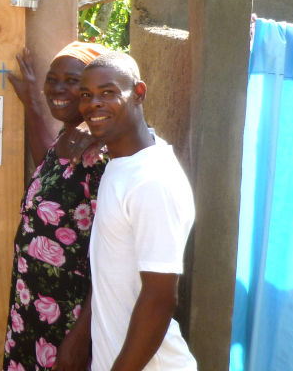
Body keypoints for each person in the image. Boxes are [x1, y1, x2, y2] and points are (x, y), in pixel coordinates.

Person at [77, 51, 196, 371]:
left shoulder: (151, 180)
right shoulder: (121, 165)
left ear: (138, 93)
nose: (93, 104)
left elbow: (160, 299)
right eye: (86, 95)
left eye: (108, 92)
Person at [2, 41, 109, 371]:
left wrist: (80, 339)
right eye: (53, 78)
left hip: (69, 318)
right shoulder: (68, 140)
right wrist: (32, 101)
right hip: (30, 306)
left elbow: (111, 259)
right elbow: (48, 172)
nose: (59, 88)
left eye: (72, 81)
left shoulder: (100, 158)